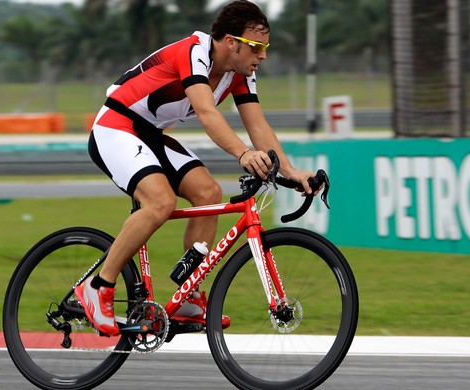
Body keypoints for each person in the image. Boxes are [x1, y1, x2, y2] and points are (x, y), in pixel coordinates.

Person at [74, 0, 317, 336]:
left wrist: (290, 170)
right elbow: (206, 113)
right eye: (257, 47)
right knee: (160, 202)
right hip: (116, 126)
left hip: (149, 133)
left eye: (266, 48)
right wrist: (244, 154)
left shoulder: (240, 73)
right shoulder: (194, 52)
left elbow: (257, 124)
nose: (262, 56)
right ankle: (98, 287)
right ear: (231, 42)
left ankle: (188, 298)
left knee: (209, 193)